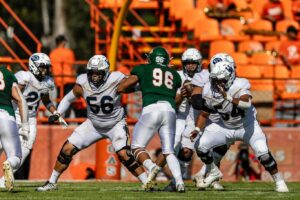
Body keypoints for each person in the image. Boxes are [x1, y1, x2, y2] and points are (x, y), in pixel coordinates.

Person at [36, 55, 147, 191]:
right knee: (67, 149)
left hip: (115, 124)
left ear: (105, 72)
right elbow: (69, 98)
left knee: (124, 154)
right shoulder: (83, 82)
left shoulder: (116, 78)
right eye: (92, 72)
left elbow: (134, 86)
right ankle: (52, 182)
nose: (94, 76)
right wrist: (58, 113)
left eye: (98, 72)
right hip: (93, 125)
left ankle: (147, 182)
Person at [190, 60, 289, 192]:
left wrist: (228, 97)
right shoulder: (209, 89)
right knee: (200, 146)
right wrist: (197, 129)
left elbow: (246, 103)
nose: (218, 83)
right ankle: (214, 172)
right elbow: (204, 114)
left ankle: (279, 180)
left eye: (222, 80)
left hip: (247, 126)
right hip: (224, 127)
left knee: (264, 155)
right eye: (215, 80)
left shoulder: (240, 83)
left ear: (230, 76)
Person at [117, 46, 185, 192]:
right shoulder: (175, 74)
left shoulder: (143, 69)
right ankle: (179, 183)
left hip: (151, 109)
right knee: (169, 151)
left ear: (151, 58)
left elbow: (123, 87)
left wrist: (128, 86)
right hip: (170, 110)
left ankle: (151, 167)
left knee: (136, 147)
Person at [0, 53, 67, 188]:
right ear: (34, 66)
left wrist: (56, 113)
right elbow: (13, 95)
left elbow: (46, 101)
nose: (46, 70)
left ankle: (4, 180)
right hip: (15, 114)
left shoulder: (46, 82)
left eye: (47, 67)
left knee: (25, 148)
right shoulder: (24, 77)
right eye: (43, 67)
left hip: (30, 118)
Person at [0, 65, 29, 191]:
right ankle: (9, 164)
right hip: (6, 116)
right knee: (16, 157)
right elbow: (21, 100)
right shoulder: (7, 73)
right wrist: (25, 126)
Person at [50, 35, 76, 117]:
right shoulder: (69, 52)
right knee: (68, 99)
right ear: (63, 42)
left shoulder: (52, 54)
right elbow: (72, 66)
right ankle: (67, 118)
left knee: (59, 99)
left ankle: (57, 117)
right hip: (69, 79)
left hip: (58, 79)